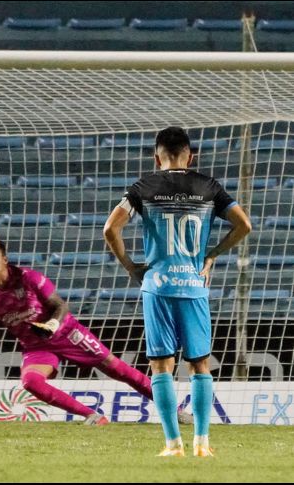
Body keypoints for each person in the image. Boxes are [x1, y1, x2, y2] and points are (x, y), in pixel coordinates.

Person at [103, 126, 252, 457]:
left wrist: (130, 266)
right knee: (200, 366)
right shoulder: (208, 186)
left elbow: (110, 229)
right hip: (194, 286)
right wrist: (211, 256)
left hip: (158, 286)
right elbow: (244, 224)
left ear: (157, 157)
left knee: (161, 366)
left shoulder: (143, 187)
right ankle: (202, 442)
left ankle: (173, 444)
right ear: (191, 155)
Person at [0, 241, 193, 425]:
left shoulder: (28, 278)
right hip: (36, 346)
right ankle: (92, 416)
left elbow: (60, 306)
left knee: (119, 370)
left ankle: (176, 411)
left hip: (67, 333)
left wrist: (50, 326)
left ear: (4, 259)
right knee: (30, 382)